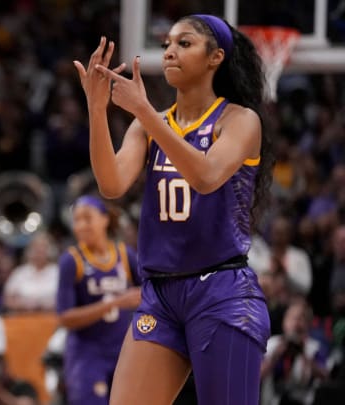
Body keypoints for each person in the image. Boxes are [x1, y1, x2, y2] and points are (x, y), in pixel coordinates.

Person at [74, 14, 273, 404]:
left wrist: (145, 111)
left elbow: (207, 176)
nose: (169, 52)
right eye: (167, 43)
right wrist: (97, 112)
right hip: (160, 295)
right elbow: (111, 185)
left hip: (222, 292)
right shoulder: (149, 126)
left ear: (215, 57)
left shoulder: (239, 120)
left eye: (184, 44)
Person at [56, 195, 141, 405]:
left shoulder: (125, 254)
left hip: (123, 350)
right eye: (76, 220)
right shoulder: (71, 260)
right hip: (87, 354)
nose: (81, 225)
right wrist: (113, 304)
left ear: (104, 219)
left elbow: (148, 291)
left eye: (87, 218)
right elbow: (65, 318)